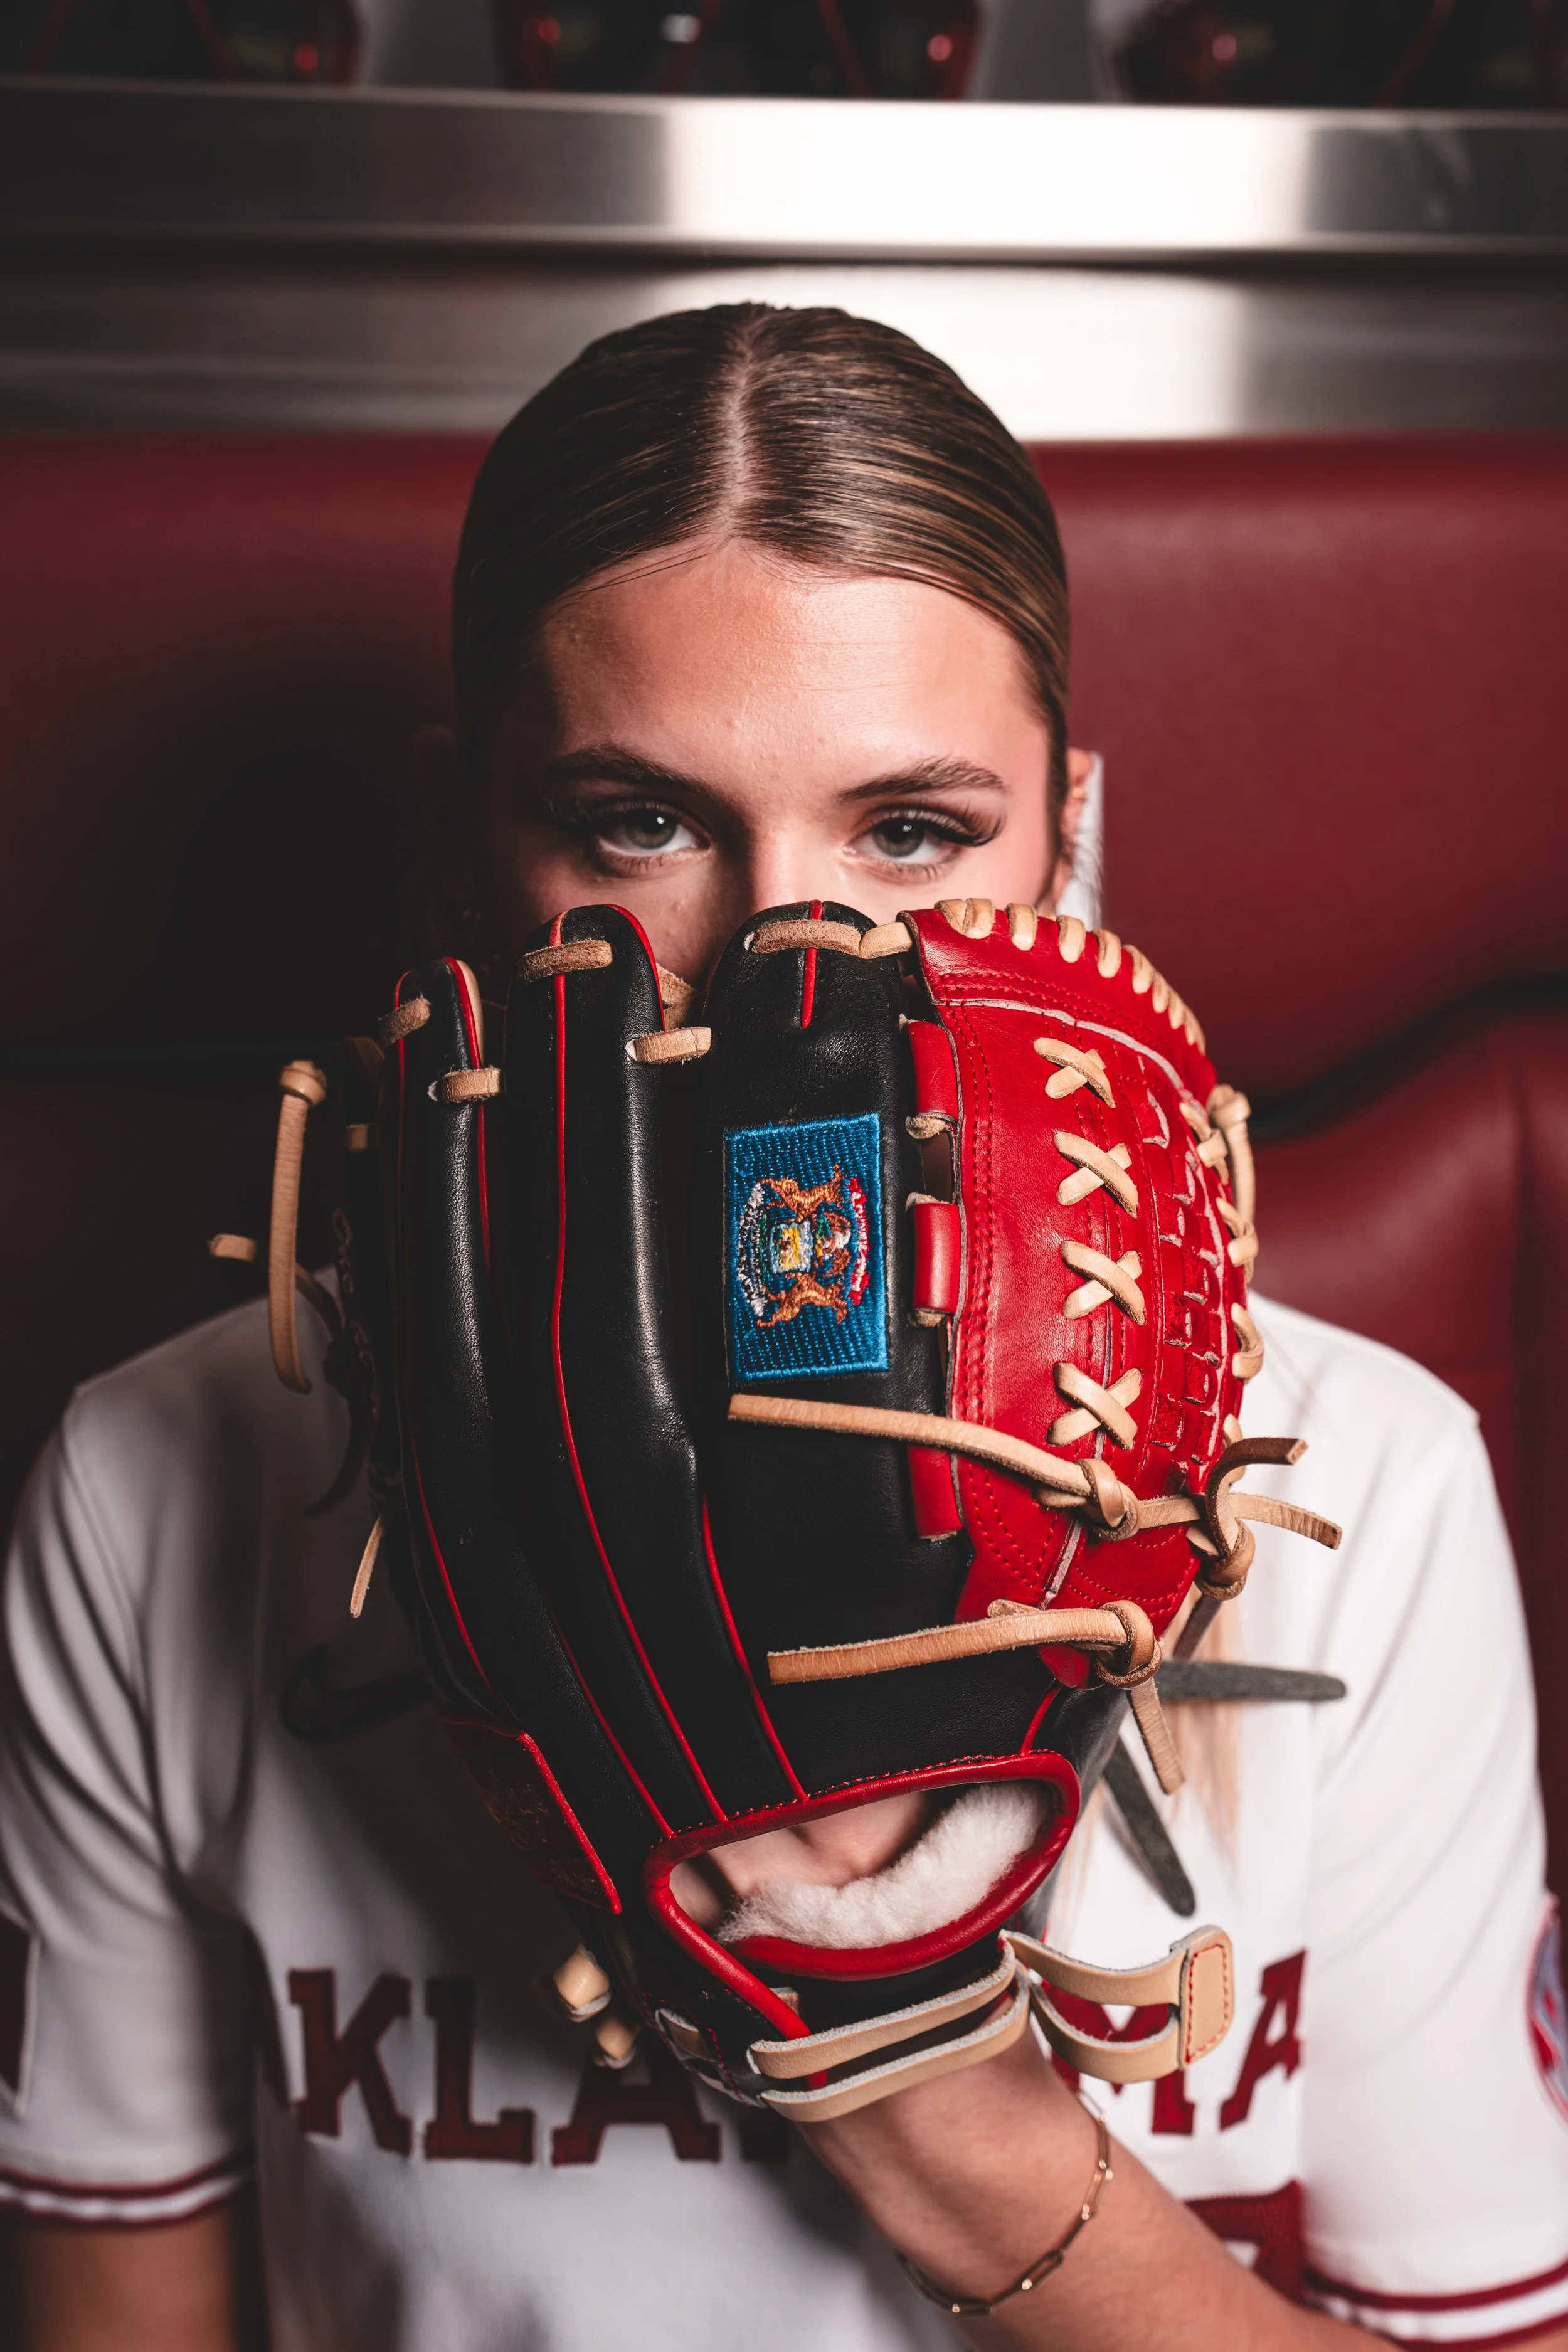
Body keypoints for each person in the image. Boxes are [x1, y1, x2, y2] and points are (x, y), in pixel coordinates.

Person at [0, 304, 1564, 2352]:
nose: (787, 961)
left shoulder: (1364, 1470)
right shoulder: (158, 1484)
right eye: (637, 819)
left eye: (911, 829)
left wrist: (908, 2060)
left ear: (1066, 852)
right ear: (460, 843)